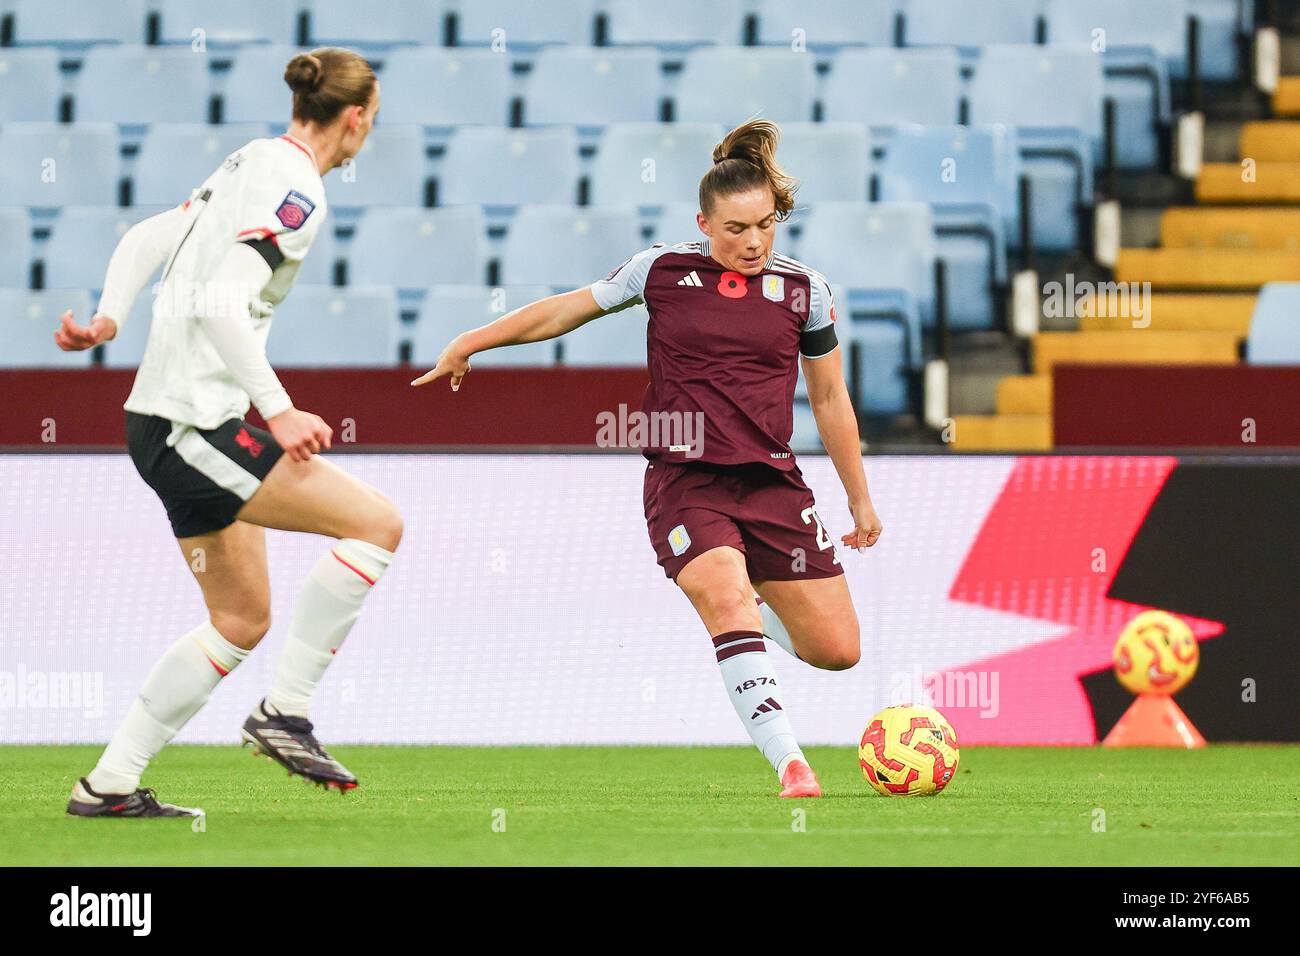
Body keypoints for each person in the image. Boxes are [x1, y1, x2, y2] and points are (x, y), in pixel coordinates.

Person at [413, 119, 882, 797]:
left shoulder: (805, 291)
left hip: (775, 483)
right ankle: (792, 763)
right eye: (735, 229)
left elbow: (832, 399)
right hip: (686, 481)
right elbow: (567, 311)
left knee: (838, 651)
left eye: (764, 226)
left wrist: (859, 498)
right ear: (704, 222)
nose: (752, 242)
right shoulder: (662, 270)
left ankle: (752, 602)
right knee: (724, 599)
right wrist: (472, 340)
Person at [54, 48, 401, 817]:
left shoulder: (250, 158)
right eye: (372, 118)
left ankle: (107, 787)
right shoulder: (301, 189)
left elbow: (153, 234)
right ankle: (287, 712)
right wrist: (277, 408)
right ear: (357, 117)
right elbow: (220, 302)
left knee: (240, 619)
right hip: (191, 425)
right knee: (376, 524)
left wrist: (112, 312)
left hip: (165, 420)